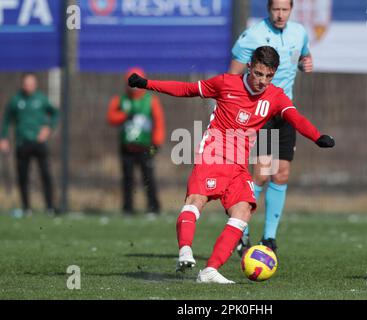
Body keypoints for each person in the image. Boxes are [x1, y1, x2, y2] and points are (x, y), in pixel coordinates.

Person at [128, 46, 334, 284]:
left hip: (238, 166)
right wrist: (147, 84)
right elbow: (186, 89)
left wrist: (318, 137)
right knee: (196, 200)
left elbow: (295, 118)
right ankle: (185, 250)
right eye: (258, 74)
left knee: (243, 211)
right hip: (213, 155)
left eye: (268, 76)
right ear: (249, 67)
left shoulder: (276, 96)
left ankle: (210, 271)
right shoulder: (225, 83)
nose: (262, 81)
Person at [229, 0, 313, 255]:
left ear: (291, 9)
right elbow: (232, 76)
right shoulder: (253, 35)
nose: (280, 14)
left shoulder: (299, 32)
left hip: (284, 111)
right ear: (268, 10)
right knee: (261, 174)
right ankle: (242, 233)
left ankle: (269, 239)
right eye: (275, 9)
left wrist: (305, 63)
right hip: (259, 112)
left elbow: (304, 56)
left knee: (282, 174)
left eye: (284, 9)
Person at [107, 68, 166, 216]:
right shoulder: (121, 100)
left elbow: (159, 122)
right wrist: (124, 116)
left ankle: (154, 207)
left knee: (148, 177)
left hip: (146, 147)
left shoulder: (150, 100)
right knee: (127, 178)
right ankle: (128, 208)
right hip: (126, 146)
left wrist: (157, 143)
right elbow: (111, 117)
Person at [0, 72, 59, 216]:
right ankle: (27, 208)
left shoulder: (41, 99)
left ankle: (50, 207)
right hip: (22, 142)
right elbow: (6, 120)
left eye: (31, 84)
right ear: (22, 84)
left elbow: (55, 113)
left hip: (39, 142)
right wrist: (3, 138)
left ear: (36, 84)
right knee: (23, 176)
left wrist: (48, 128)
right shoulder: (16, 100)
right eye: (26, 84)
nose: (29, 87)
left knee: (45, 174)